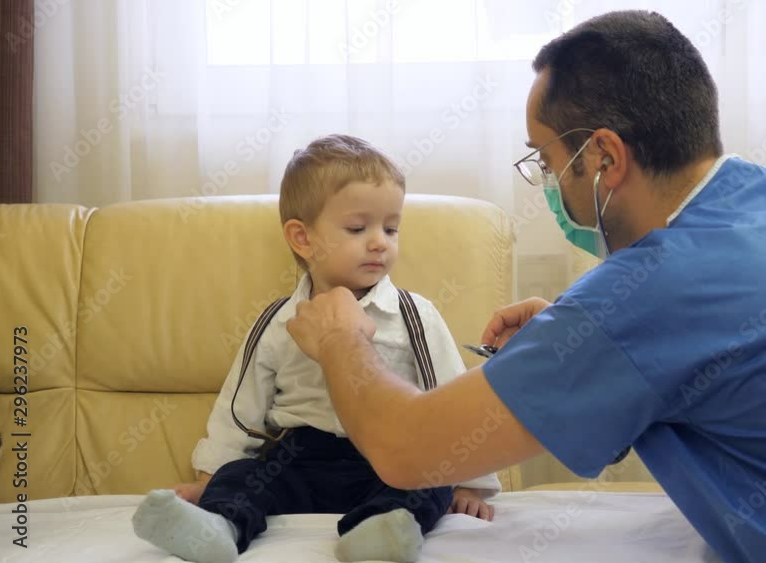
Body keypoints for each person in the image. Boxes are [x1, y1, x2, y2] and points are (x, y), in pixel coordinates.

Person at [285, 11, 766, 563]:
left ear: (603, 157)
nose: (547, 182)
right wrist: (577, 343)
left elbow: (407, 449)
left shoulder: (649, 292)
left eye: (547, 158)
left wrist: (344, 342)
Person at [130, 134, 500, 563]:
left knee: (428, 479)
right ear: (302, 239)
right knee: (242, 476)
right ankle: (219, 526)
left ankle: (378, 533)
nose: (380, 241)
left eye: (391, 228)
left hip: (389, 455)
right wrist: (210, 479)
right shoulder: (277, 321)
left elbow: (455, 398)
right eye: (359, 228)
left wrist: (471, 483)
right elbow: (240, 406)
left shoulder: (415, 316)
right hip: (297, 460)